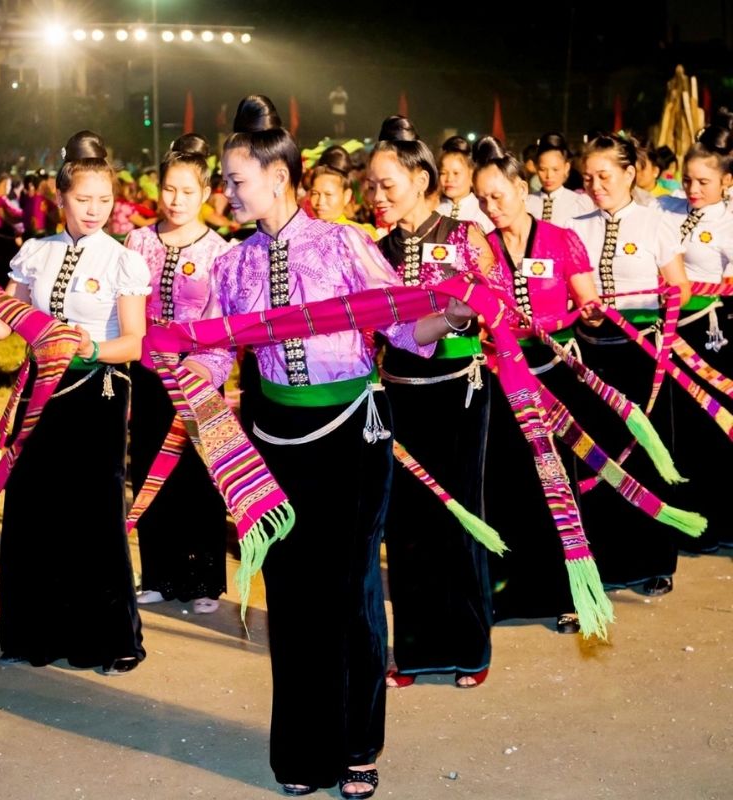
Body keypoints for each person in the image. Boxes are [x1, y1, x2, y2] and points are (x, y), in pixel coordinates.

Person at [183, 96, 475, 799]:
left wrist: (454, 314)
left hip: (350, 438)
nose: (227, 191)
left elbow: (404, 330)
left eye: (235, 179)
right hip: (272, 441)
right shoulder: (232, 266)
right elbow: (215, 358)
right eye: (225, 181)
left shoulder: (343, 244)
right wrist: (179, 370)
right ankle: (305, 752)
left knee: (347, 592)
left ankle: (356, 743)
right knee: (291, 595)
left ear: (278, 178)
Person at [0, 130, 151, 675]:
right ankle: (34, 636)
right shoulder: (36, 253)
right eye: (83, 200)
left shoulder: (122, 259)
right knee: (31, 511)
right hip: (38, 393)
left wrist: (91, 346)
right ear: (61, 198)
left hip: (95, 393)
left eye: (105, 200)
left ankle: (110, 640)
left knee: (95, 515)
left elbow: (135, 342)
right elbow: (5, 324)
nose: (95, 210)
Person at [369, 116, 496, 690]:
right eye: (370, 185)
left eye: (387, 184)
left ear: (421, 179)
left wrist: (466, 315)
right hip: (398, 396)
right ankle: (415, 652)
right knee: (408, 523)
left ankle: (469, 647)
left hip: (459, 391)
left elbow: (490, 308)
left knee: (460, 514)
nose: (377, 195)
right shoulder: (373, 251)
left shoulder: (465, 237)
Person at [471, 136, 603, 634]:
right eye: (483, 199)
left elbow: (586, 303)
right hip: (503, 376)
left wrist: (590, 315)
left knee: (560, 483)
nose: (491, 206)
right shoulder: (478, 249)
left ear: (520, 189)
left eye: (498, 195)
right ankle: (509, 592)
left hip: (555, 374)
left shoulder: (561, 238)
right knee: (506, 482)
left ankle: (567, 593)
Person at [568, 133, 690, 594]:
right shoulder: (576, 226)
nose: (596, 186)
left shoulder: (654, 222)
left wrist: (641, 309)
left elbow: (680, 287)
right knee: (596, 452)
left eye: (604, 176)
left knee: (644, 452)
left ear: (629, 174)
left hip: (640, 355)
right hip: (591, 352)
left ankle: (652, 560)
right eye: (589, 178)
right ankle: (607, 557)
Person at [124, 134, 232, 615]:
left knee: (201, 476)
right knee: (148, 469)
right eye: (169, 189)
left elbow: (221, 324)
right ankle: (160, 574)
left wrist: (201, 369)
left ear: (205, 193)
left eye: (188, 191)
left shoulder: (221, 251)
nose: (176, 200)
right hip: (149, 375)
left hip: (200, 375)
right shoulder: (139, 241)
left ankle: (205, 578)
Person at [655, 112, 733, 552]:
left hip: (710, 338)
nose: (693, 189)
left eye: (704, 181)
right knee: (678, 429)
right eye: (687, 180)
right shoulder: (665, 210)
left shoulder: (729, 222)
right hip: (666, 337)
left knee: (714, 430)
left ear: (726, 182)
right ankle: (687, 519)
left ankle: (721, 521)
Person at [307, 147, 378, 238]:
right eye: (315, 193)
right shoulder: (302, 234)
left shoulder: (362, 235)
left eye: (328, 194)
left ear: (347, 196)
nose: (320, 202)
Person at [526, 133, 595, 226]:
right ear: (536, 168)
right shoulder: (526, 203)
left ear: (566, 167)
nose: (549, 176)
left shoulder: (579, 203)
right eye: (543, 169)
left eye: (555, 169)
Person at [436, 136, 494, 232]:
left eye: (456, 173)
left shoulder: (483, 210)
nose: (449, 179)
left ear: (472, 176)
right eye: (443, 173)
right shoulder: (433, 210)